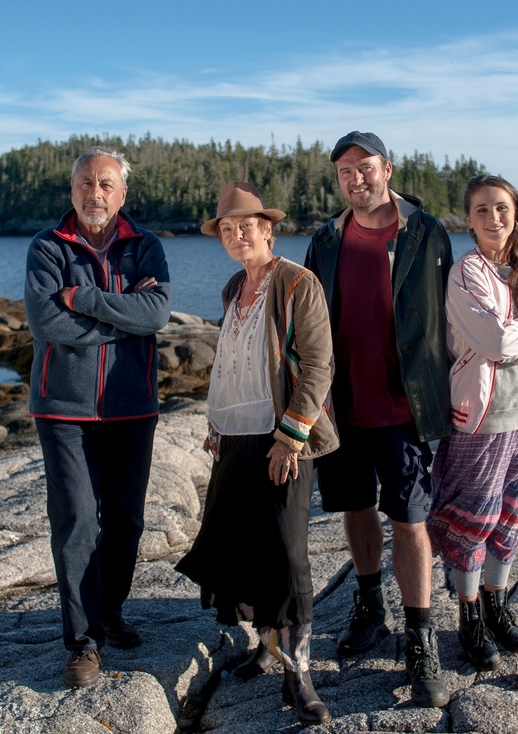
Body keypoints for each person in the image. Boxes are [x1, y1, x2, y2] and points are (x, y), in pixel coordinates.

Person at [177, 182, 338, 726]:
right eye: (227, 228)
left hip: (283, 436)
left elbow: (318, 367)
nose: (237, 234)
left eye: (247, 225)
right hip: (235, 436)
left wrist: (290, 437)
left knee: (287, 554)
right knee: (238, 547)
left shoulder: (298, 283)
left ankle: (301, 673)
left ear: (268, 230)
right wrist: (217, 425)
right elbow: (233, 363)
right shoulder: (231, 288)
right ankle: (267, 647)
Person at [304, 131, 454, 708]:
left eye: (364, 168)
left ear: (387, 169)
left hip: (404, 406)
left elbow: (454, 311)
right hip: (340, 405)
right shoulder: (325, 238)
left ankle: (421, 639)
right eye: (344, 171)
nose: (355, 179)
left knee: (410, 520)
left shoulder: (425, 232)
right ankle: (371, 606)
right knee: (356, 509)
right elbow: (311, 320)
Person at [23, 145, 172, 689]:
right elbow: (45, 322)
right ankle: (83, 642)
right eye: (85, 183)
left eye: (106, 184)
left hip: (133, 406)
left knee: (127, 521)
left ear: (122, 194)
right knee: (79, 521)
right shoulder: (48, 247)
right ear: (72, 190)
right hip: (62, 408)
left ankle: (108, 611)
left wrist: (82, 299)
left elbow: (156, 313)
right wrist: (121, 315)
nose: (95, 193)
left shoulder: (146, 246)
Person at [427, 174, 518, 672]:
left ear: (517, 214)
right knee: (475, 518)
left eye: (502, 208)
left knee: (511, 515)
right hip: (482, 417)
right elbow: (492, 342)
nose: (494, 218)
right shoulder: (466, 273)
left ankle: (496, 604)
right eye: (483, 210)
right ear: (468, 219)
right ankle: (468, 616)